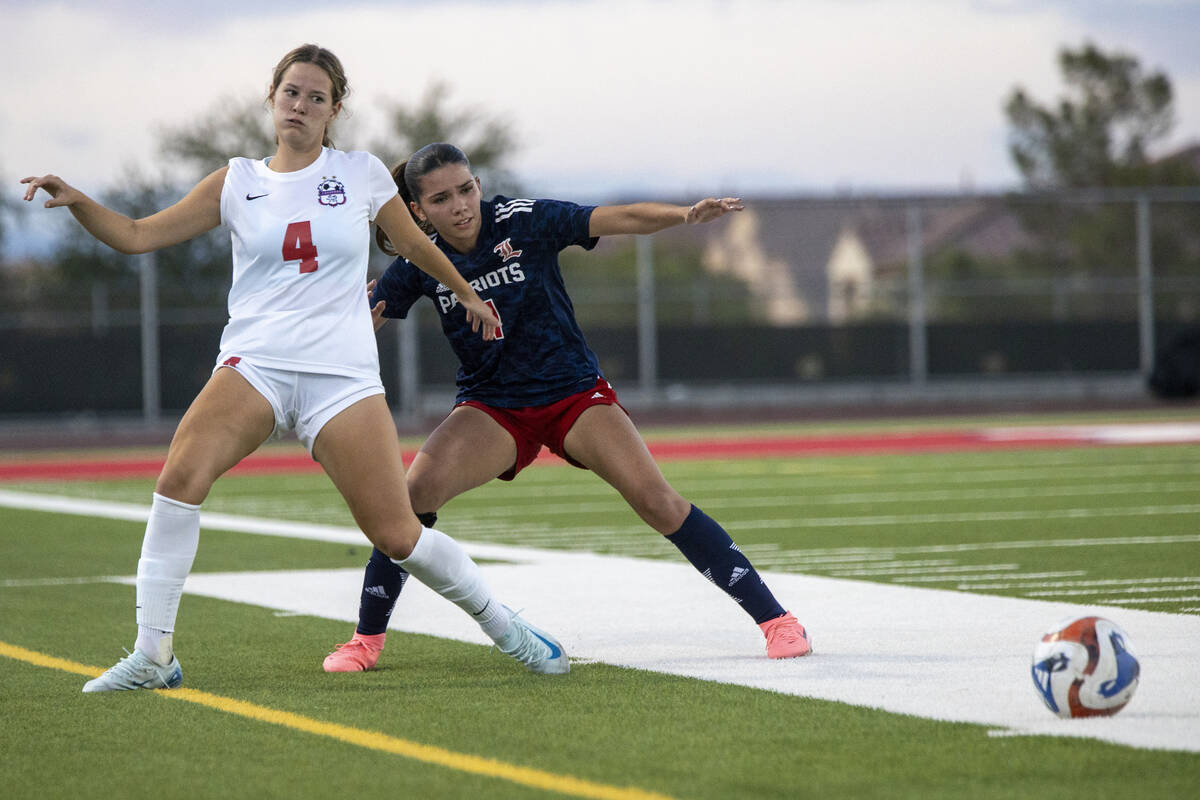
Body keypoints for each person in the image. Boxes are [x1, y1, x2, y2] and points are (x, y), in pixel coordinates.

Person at [21, 47, 568, 692]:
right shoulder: (235, 181)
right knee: (177, 480)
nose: (300, 106)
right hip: (256, 364)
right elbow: (139, 235)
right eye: (290, 93)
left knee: (397, 532)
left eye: (315, 97)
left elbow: (418, 246)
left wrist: (470, 293)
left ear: (335, 109)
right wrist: (81, 200)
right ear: (271, 98)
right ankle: (153, 656)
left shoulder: (361, 173)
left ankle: (508, 629)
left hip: (341, 376)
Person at [321, 142, 811, 673]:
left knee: (657, 500)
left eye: (467, 189)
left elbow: (616, 216)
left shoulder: (523, 220)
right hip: (493, 407)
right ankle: (365, 641)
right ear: (417, 211)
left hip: (572, 394)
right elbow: (366, 312)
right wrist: (347, 327)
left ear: (479, 185)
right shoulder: (424, 256)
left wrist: (684, 215)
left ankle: (776, 620)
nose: (461, 205)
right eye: (441, 199)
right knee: (411, 496)